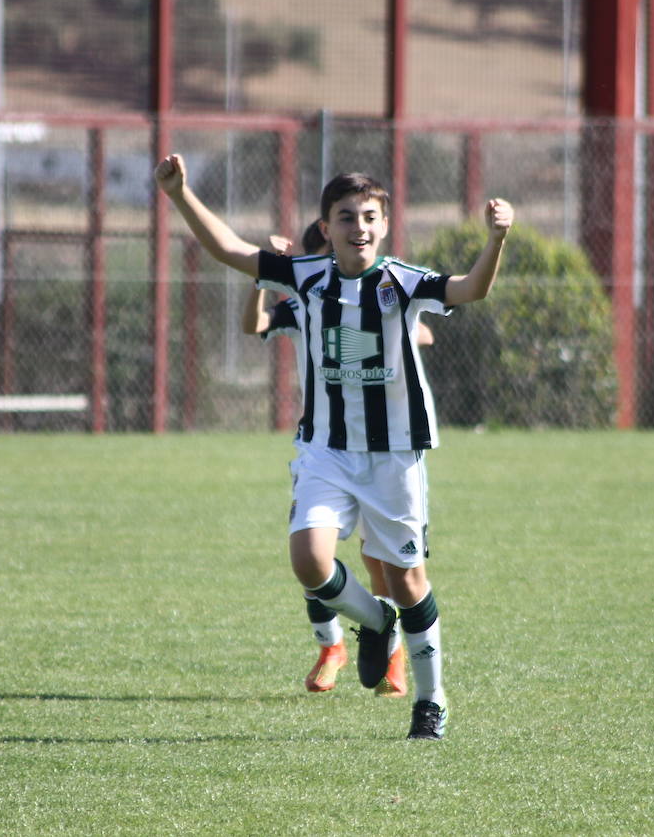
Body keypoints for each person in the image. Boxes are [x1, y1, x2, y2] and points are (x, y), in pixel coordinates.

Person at [155, 152, 514, 740]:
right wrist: (179, 195)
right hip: (325, 448)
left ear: (385, 224)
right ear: (326, 228)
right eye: (346, 217)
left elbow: (473, 288)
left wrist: (497, 239)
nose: (360, 227)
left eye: (370, 216)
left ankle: (431, 699)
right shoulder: (306, 278)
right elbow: (228, 250)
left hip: (395, 453)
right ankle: (376, 626)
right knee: (309, 560)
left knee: (407, 581)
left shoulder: (404, 280)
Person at [241, 222, 432, 699]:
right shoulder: (305, 297)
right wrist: (260, 279)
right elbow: (254, 325)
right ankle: (331, 647)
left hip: (383, 445)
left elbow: (421, 329)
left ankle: (391, 653)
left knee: (380, 561)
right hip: (324, 441)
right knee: (310, 549)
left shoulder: (378, 290)